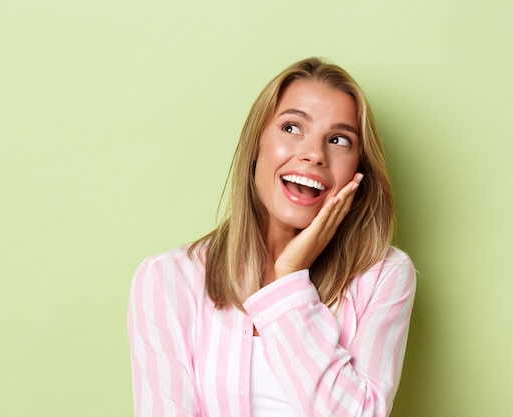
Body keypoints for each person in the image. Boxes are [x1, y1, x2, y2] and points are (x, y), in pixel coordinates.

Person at [128, 57, 416, 417]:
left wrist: (291, 276)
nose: (314, 154)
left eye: (339, 139)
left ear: (358, 170)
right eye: (292, 128)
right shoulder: (168, 279)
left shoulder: (384, 276)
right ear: (256, 146)